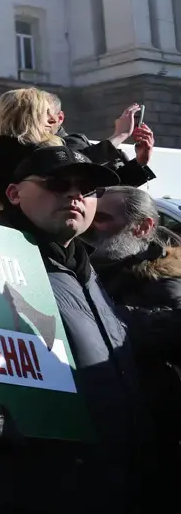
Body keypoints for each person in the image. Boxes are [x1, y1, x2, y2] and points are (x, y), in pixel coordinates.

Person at [0, 136, 156, 514]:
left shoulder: (81, 266)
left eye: (88, 188)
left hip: (98, 503)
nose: (75, 195)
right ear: (14, 193)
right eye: (58, 183)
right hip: (27, 512)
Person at [84, 186, 181, 487]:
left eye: (102, 218)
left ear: (142, 227)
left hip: (150, 442)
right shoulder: (87, 270)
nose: (90, 226)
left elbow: (170, 327)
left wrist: (94, 316)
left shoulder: (165, 279)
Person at [0, 89, 155, 217]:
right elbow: (84, 176)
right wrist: (119, 136)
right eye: (45, 113)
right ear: (24, 117)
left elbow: (94, 189)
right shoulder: (19, 154)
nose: (53, 120)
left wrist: (139, 163)